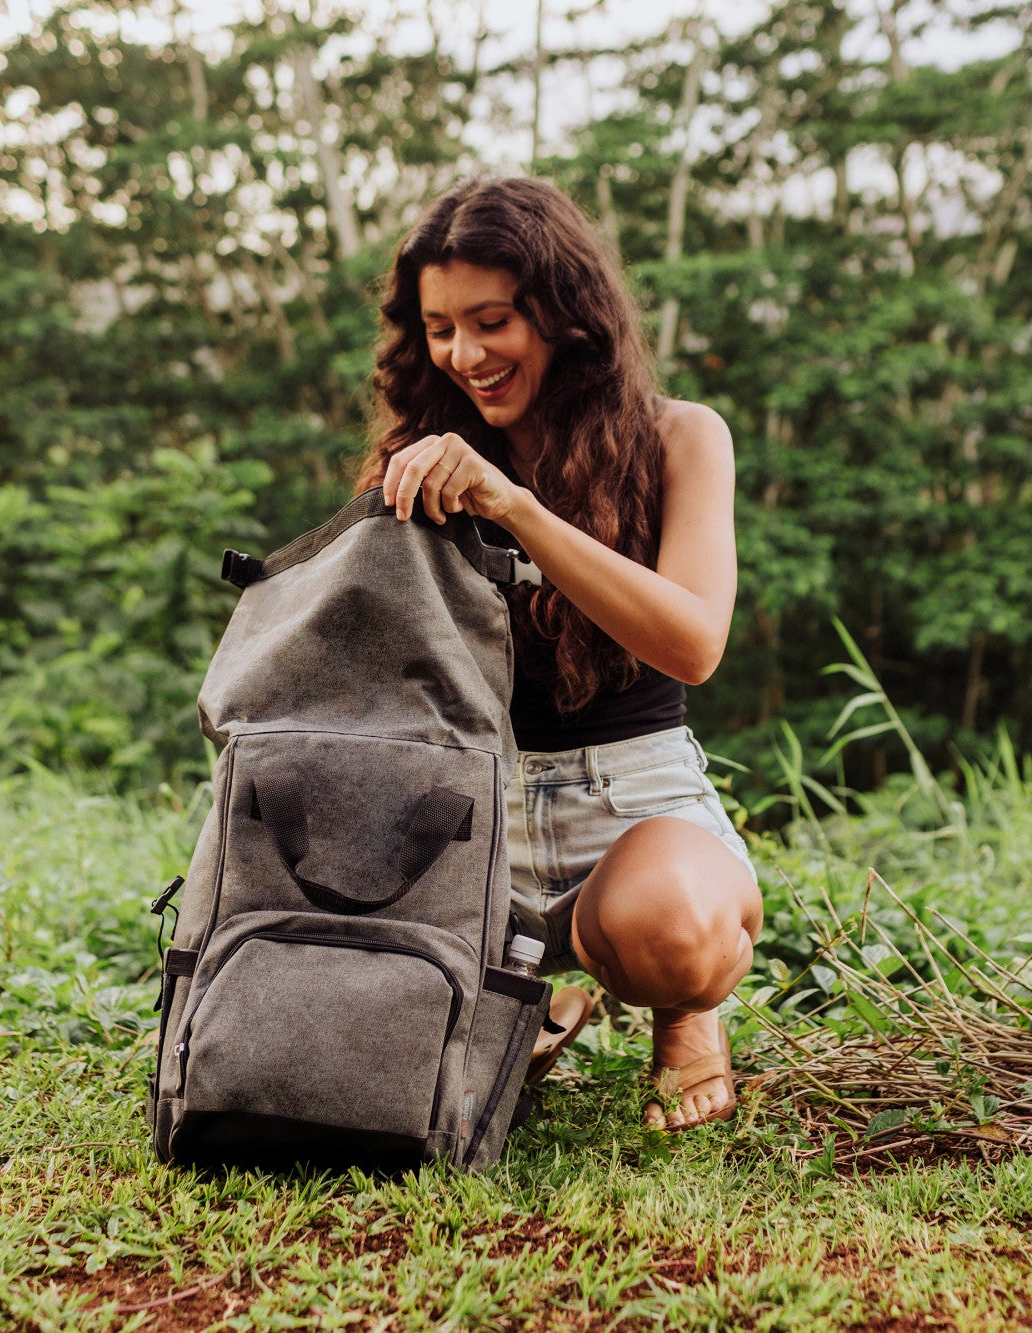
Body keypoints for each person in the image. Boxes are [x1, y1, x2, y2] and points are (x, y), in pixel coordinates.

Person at [352, 177, 762, 1132]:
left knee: (674, 936)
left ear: (566, 312)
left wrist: (516, 508)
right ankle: (537, 985)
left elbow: (695, 642)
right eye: (441, 329)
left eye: (493, 321)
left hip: (634, 806)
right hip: (471, 806)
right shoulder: (421, 453)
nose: (467, 355)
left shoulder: (681, 437)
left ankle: (682, 1013)